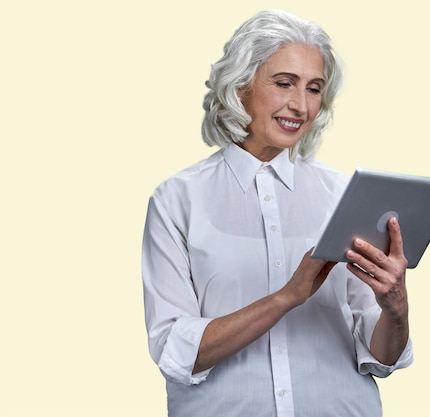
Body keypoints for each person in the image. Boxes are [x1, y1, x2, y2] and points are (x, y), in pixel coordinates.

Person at [142, 9, 413, 417]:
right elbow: (175, 350)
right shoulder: (178, 200)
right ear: (240, 85)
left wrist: (396, 308)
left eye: (314, 88)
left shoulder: (343, 194)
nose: (300, 105)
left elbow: (381, 356)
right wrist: (287, 297)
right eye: (285, 83)